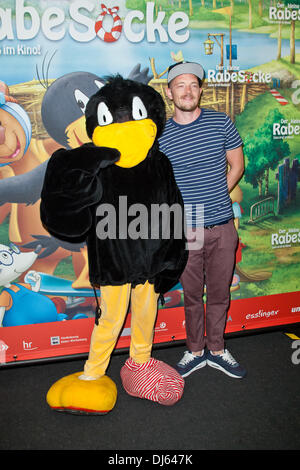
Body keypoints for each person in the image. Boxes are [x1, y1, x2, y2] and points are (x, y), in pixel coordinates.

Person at [159, 61, 246, 379]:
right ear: (169, 92)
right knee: (193, 293)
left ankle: (218, 350)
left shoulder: (221, 122)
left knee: (221, 292)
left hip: (223, 225)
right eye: (180, 85)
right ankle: (195, 351)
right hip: (187, 228)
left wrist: (217, 197)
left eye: (193, 84)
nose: (188, 91)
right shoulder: (161, 135)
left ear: (200, 89)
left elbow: (237, 165)